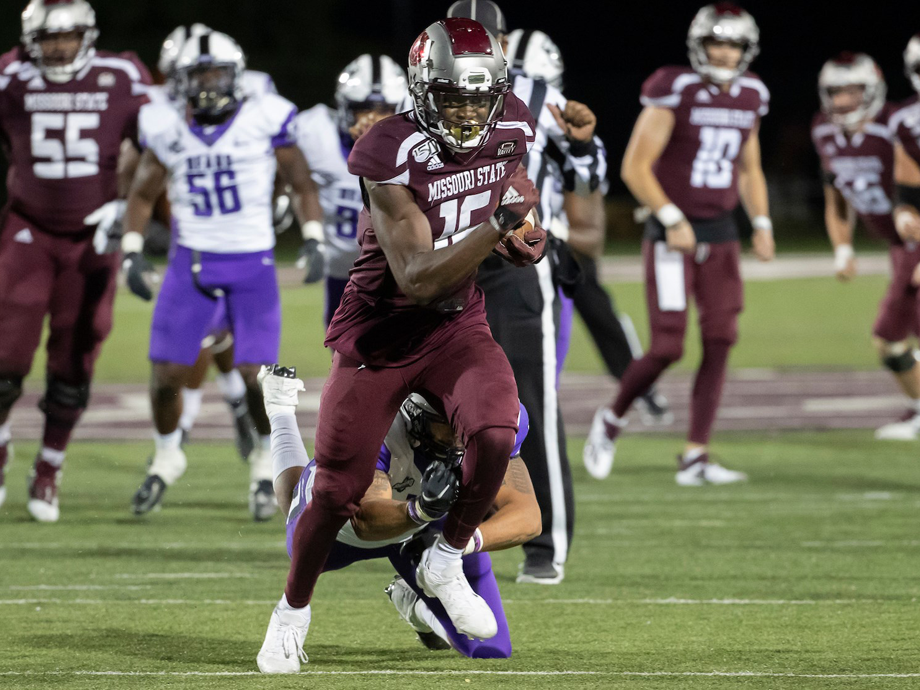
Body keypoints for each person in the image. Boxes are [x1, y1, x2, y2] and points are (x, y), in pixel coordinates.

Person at [255, 17, 545, 673]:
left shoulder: (511, 129)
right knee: (330, 494)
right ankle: (291, 612)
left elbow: (515, 210)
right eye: (452, 96)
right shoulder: (390, 150)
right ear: (422, 91)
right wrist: (496, 224)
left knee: (500, 429)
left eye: (480, 96)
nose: (469, 112)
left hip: (454, 324)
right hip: (382, 332)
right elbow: (416, 276)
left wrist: (523, 233)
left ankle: (441, 564)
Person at [118, 30, 323, 520]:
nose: (209, 85)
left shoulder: (263, 116)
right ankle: (168, 454)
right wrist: (130, 249)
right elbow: (143, 194)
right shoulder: (165, 125)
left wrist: (312, 234)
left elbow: (299, 180)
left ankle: (259, 458)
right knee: (166, 373)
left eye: (217, 75)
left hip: (251, 262)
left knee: (256, 377)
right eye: (198, 76)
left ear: (236, 76)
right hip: (191, 262)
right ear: (180, 82)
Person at [584, 3, 775, 485]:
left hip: (722, 234)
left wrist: (762, 221)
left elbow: (749, 167)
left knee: (721, 339)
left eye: (734, 44)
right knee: (668, 345)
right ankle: (611, 419)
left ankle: (696, 454)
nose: (725, 53)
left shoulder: (752, 93)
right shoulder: (676, 88)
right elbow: (635, 166)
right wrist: (671, 216)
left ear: (746, 49)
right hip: (673, 233)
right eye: (717, 42)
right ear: (700, 45)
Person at [447, 0, 604, 585]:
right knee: (440, 404)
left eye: (486, 38)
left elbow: (588, 180)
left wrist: (585, 147)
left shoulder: (538, 95)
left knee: (530, 401)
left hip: (516, 262)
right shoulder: (420, 96)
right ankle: (452, 536)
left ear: (505, 44)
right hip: (445, 264)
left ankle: (546, 542)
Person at [258, 365, 540, 658]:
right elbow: (366, 519)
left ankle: (413, 600)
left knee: (489, 649)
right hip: (349, 527)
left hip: (423, 524)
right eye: (447, 423)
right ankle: (280, 410)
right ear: (414, 414)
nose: (460, 436)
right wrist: (421, 510)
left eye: (468, 423)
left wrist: (456, 546)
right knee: (297, 516)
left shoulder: (494, 420)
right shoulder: (377, 423)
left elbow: (527, 517)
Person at [0, 0, 151, 520]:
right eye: (48, 38)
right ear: (30, 41)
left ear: (87, 35)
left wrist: (125, 203)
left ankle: (48, 466)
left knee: (77, 350)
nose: (59, 47)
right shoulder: (10, 75)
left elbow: (156, 145)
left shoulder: (123, 73)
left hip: (95, 233)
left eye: (68, 37)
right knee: (5, 355)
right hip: (29, 228)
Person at [505, 27, 673, 427]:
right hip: (501, 250)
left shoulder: (566, 136)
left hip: (552, 254)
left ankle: (638, 384)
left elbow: (591, 232)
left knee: (589, 310)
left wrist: (556, 232)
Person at [812, 53, 920, 440]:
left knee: (888, 338)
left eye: (853, 91)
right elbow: (836, 198)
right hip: (897, 244)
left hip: (915, 241)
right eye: (836, 92)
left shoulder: (899, 125)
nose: (842, 101)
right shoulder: (823, 130)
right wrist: (843, 249)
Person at [295, 54, 407, 325]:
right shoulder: (313, 132)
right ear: (345, 108)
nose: (372, 119)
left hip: (397, 270)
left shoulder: (414, 146)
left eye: (384, 110)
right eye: (364, 109)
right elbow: (291, 177)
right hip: (342, 272)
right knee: (342, 354)